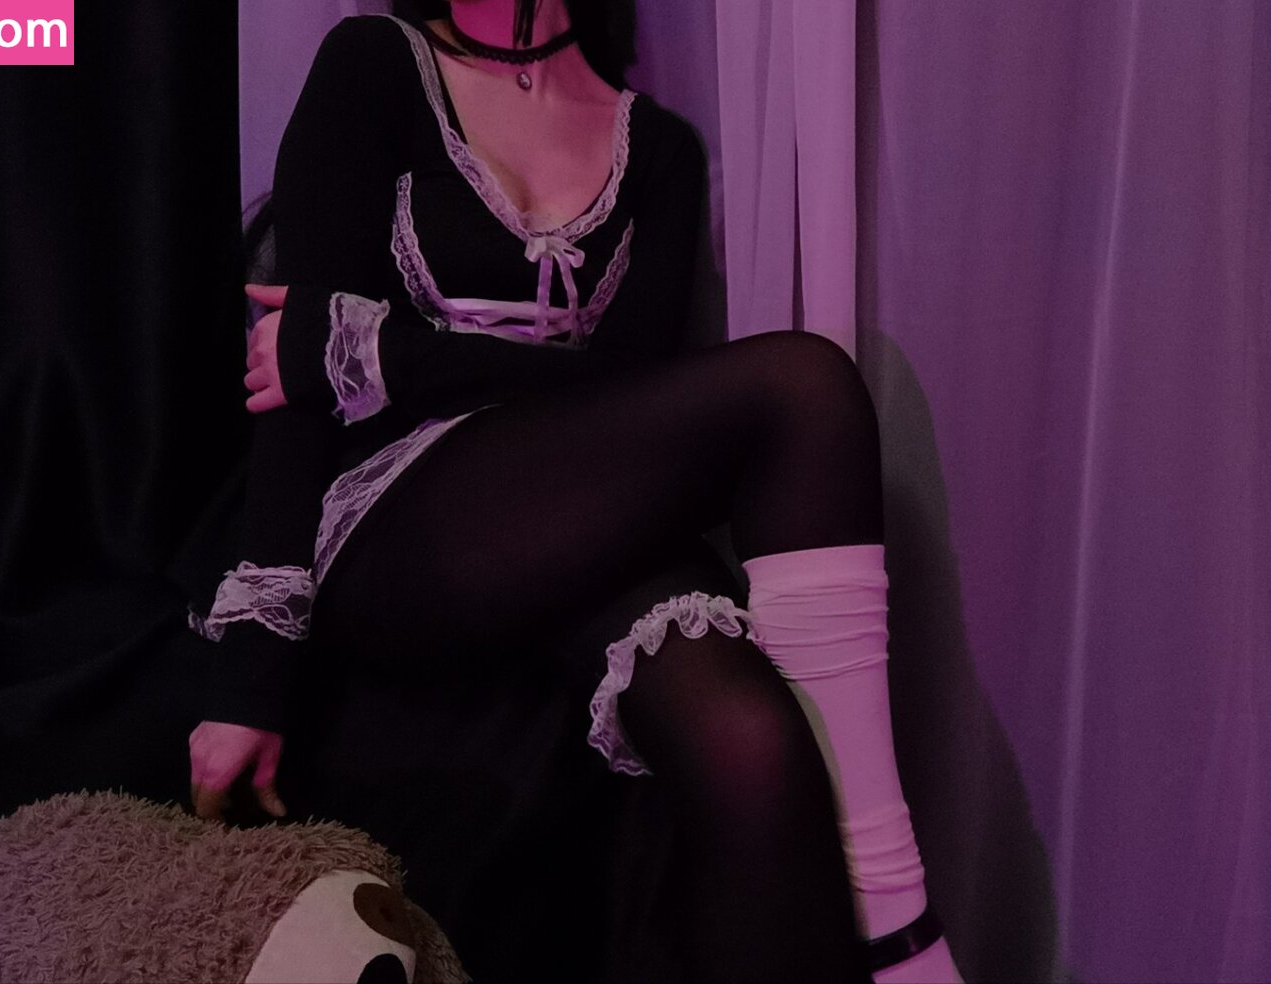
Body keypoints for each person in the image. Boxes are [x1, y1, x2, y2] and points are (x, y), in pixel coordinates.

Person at [186, 1, 963, 980]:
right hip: (393, 516)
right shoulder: (373, 64)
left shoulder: (659, 150)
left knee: (749, 739)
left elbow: (626, 390)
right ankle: (898, 923)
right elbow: (295, 397)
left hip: (570, 515)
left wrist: (387, 353)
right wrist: (251, 678)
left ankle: (871, 919)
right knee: (804, 385)